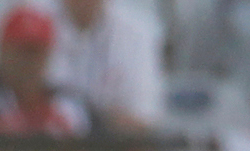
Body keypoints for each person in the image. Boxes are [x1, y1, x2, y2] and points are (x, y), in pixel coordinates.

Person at [0, 6, 98, 134]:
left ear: (48, 56)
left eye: (35, 52)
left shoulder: (72, 104)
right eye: (20, 51)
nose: (27, 62)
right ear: (1, 51)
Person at [50, 0, 165, 129]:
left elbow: (144, 120)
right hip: (49, 140)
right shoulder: (38, 20)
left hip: (113, 144)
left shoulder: (137, 31)